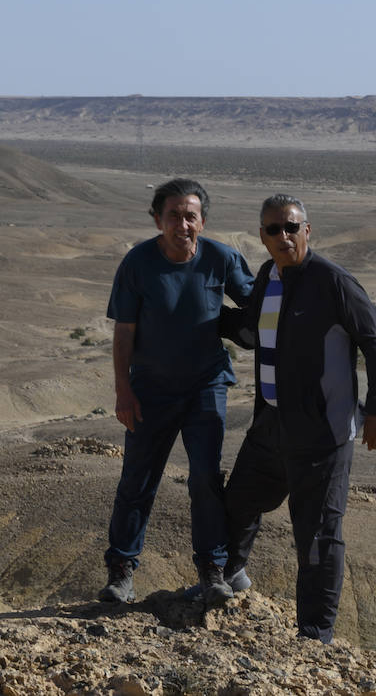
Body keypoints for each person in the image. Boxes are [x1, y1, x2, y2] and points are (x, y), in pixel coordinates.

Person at [218, 193, 376, 643]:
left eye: (291, 227)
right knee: (238, 501)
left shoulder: (333, 282)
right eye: (273, 229)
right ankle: (230, 577)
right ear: (261, 236)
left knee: (317, 536)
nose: (284, 236)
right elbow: (252, 329)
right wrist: (204, 317)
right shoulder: (268, 277)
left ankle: (314, 636)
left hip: (323, 433)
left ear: (307, 230)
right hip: (271, 423)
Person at [99, 178, 254, 607]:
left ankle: (212, 570)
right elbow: (124, 333)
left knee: (206, 479)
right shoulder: (138, 263)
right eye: (173, 215)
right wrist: (123, 391)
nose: (182, 224)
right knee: (138, 479)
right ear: (157, 219)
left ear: (202, 221)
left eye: (190, 216)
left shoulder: (222, 258)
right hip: (151, 389)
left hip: (206, 386)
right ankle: (121, 572)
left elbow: (258, 304)